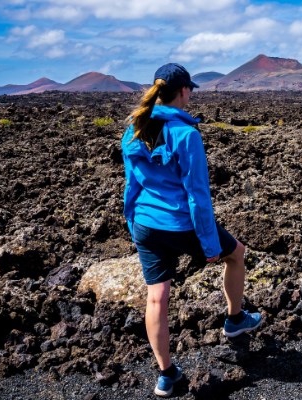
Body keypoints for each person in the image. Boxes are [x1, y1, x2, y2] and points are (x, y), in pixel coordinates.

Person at [122, 63, 262, 397]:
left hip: (145, 224)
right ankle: (235, 319)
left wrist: (133, 223)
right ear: (184, 91)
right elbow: (197, 196)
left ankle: (167, 375)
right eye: (191, 90)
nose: (191, 95)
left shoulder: (135, 128)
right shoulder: (186, 134)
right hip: (181, 225)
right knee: (236, 254)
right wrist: (210, 244)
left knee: (157, 297)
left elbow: (132, 184)